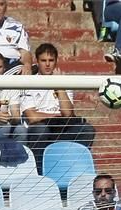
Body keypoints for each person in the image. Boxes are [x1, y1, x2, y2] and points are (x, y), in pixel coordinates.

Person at [23, 43, 96, 173]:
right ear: (37, 61)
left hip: (61, 129)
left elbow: (67, 113)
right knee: (40, 130)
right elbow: (33, 117)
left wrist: (60, 87)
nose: (47, 64)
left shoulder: (64, 82)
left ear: (56, 62)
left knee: (86, 129)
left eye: (51, 61)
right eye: (43, 60)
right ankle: (40, 172)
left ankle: (74, 168)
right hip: (40, 129)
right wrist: (55, 117)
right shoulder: (28, 82)